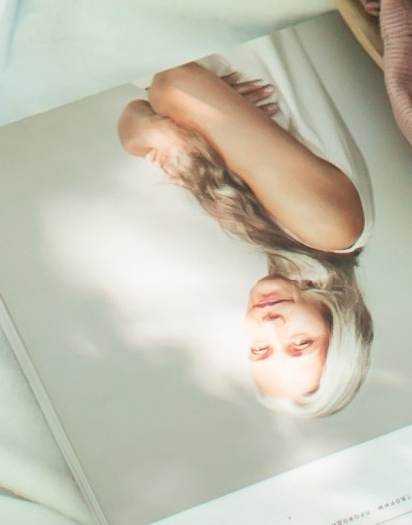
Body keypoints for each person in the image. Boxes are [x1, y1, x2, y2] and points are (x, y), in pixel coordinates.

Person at [116, 55, 373, 414]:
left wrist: (162, 129)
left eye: (260, 349)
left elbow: (133, 122)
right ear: (337, 325)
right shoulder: (331, 229)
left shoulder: (278, 237)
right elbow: (173, 84)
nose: (271, 327)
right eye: (301, 343)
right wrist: (176, 129)